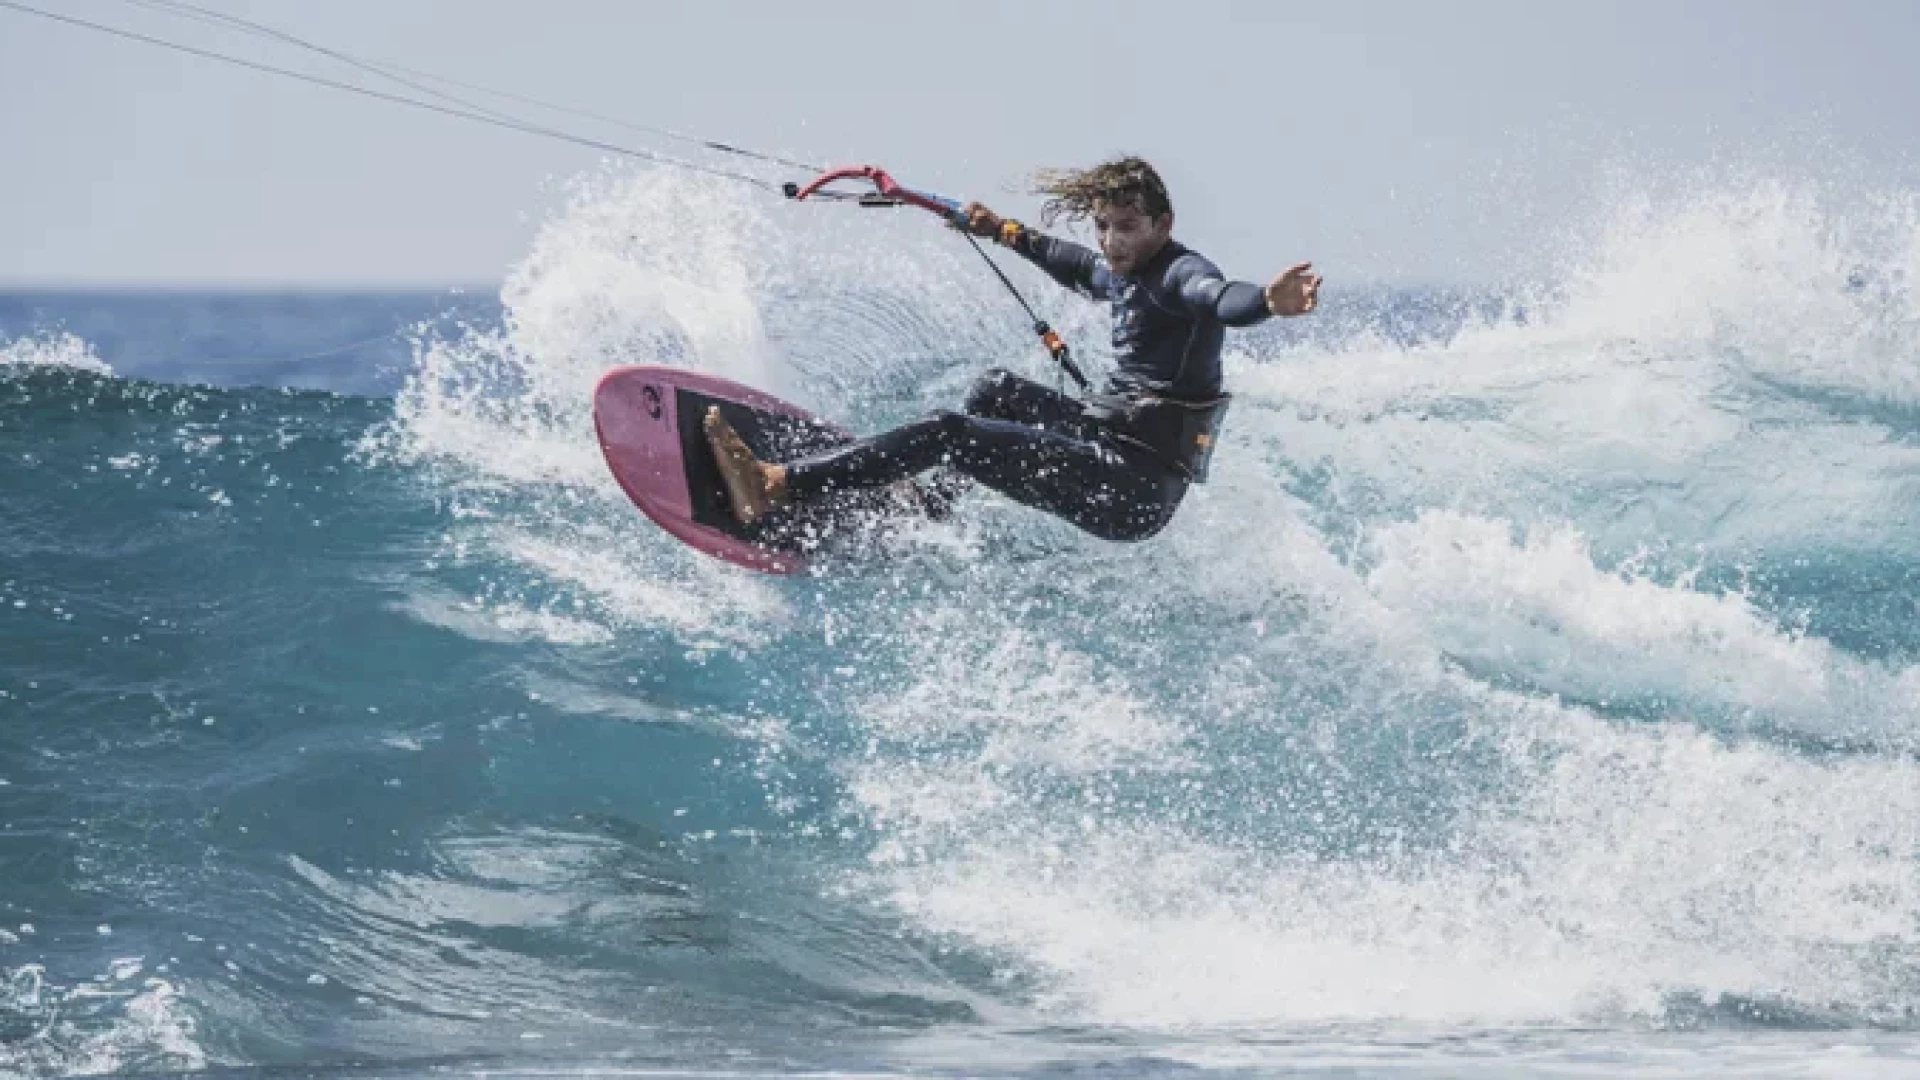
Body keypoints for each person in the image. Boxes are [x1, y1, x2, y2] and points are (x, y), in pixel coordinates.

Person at [704, 155, 1321, 542]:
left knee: (949, 431)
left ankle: (774, 485)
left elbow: (1221, 299)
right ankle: (927, 510)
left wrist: (1268, 301)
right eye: (1103, 226)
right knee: (993, 390)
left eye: (1128, 227)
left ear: (1164, 224)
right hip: (1107, 441)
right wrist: (1001, 229)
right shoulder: (1125, 270)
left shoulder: (1184, 276)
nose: (1112, 241)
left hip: (1134, 489)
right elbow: (1073, 263)